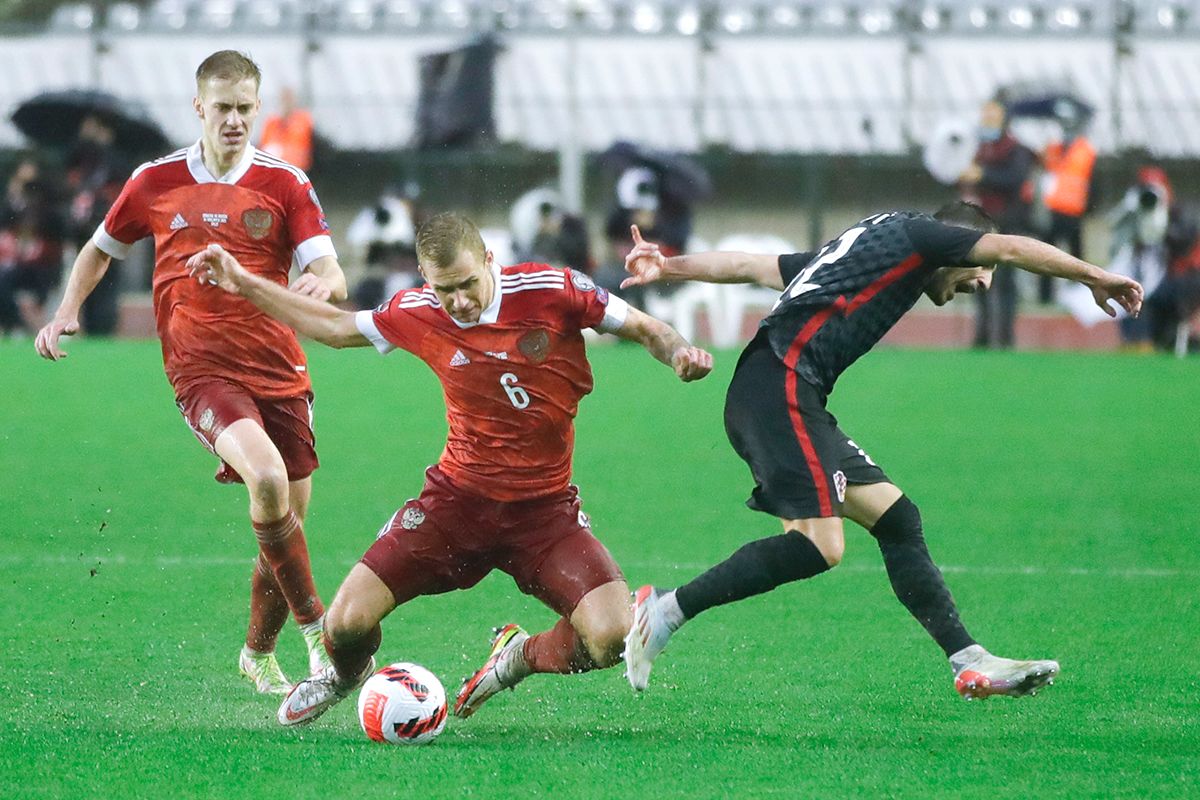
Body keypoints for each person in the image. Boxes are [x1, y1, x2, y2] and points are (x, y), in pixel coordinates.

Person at [186, 212, 712, 727]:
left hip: (545, 513)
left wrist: (680, 352)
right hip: (454, 505)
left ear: (489, 260)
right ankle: (345, 676)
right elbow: (335, 327)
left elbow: (647, 328)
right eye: (444, 290)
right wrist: (242, 282)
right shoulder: (418, 311)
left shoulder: (553, 290)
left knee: (613, 637)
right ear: (424, 281)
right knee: (344, 625)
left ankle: (516, 658)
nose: (458, 301)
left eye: (466, 284)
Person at [620, 202, 1143, 700]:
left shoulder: (867, 249)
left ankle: (968, 660)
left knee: (896, 518)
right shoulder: (918, 237)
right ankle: (663, 613)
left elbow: (748, 265)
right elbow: (1008, 248)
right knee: (819, 546)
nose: (982, 282)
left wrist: (668, 266)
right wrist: (1094, 276)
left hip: (787, 391)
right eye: (980, 267)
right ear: (957, 244)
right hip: (778, 385)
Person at [34, 50, 349, 695]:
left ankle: (257, 653)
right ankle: (321, 640)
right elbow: (100, 248)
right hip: (199, 367)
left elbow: (333, 271)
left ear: (256, 110)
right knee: (264, 479)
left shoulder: (285, 183)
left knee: (287, 514)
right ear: (198, 105)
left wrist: (321, 283)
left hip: (280, 366)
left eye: (244, 108)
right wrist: (66, 310)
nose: (233, 120)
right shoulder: (154, 180)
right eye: (222, 107)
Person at [959, 99, 1035, 348]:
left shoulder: (1016, 150)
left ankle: (1005, 336)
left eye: (993, 113)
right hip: (978, 222)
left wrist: (984, 175)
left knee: (1004, 280)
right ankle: (981, 335)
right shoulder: (974, 147)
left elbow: (1015, 179)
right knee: (975, 277)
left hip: (1006, 223)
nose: (987, 117)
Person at [0, 156, 66, 336]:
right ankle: (15, 324)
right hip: (20, 266)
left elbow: (58, 245)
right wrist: (14, 197)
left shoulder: (50, 212)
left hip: (44, 269)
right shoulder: (15, 208)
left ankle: (18, 325)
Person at [1036, 106, 1096, 304]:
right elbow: (1044, 169)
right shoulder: (1053, 148)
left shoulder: (1086, 150)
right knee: (1045, 255)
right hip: (1052, 210)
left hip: (1074, 212)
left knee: (1076, 258)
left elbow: (1093, 183)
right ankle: (1045, 297)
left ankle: (1078, 296)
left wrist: (1089, 209)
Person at [258, 86, 314, 172]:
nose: (287, 102)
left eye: (289, 99)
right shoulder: (272, 122)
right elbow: (265, 147)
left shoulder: (303, 120)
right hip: (276, 168)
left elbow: (302, 148)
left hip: (297, 167)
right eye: (285, 99)